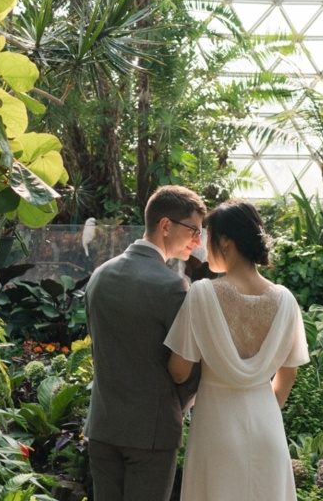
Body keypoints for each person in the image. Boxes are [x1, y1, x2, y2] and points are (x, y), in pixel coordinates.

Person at [165, 199, 309, 501]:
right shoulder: (285, 300)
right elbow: (290, 373)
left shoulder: (202, 294)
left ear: (226, 241)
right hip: (267, 427)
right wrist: (260, 407)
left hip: (216, 428)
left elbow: (179, 372)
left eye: (208, 237)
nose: (204, 246)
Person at [84, 185, 206, 501]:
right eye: (193, 230)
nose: (197, 242)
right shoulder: (175, 287)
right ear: (165, 225)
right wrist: (171, 408)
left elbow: (98, 347)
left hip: (102, 427)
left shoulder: (99, 276)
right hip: (152, 434)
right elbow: (186, 371)